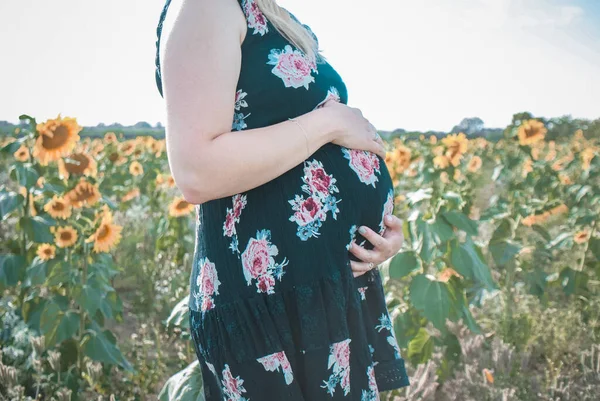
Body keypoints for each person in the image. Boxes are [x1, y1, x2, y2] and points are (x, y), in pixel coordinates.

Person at [154, 0, 411, 399]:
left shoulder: (274, 15)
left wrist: (375, 235)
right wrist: (329, 123)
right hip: (267, 299)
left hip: (327, 287)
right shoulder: (208, 7)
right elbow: (196, 171)